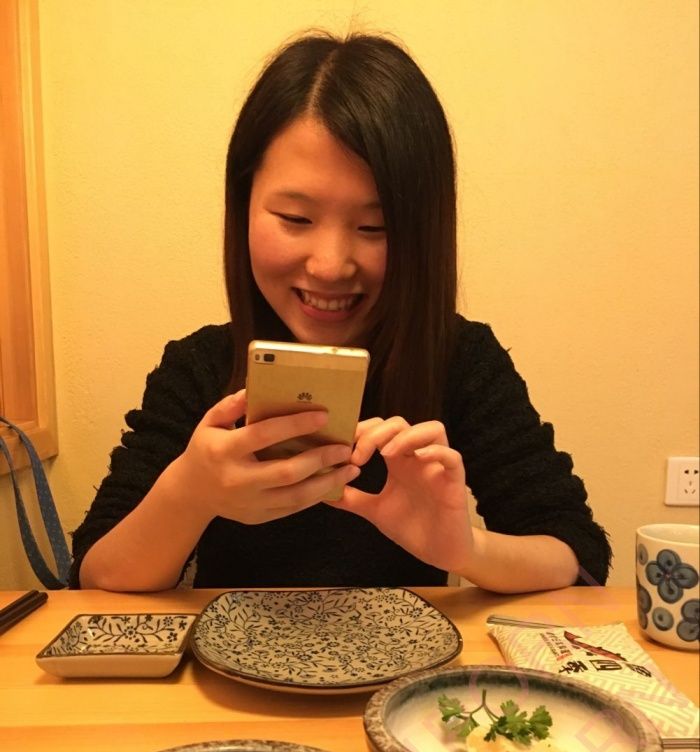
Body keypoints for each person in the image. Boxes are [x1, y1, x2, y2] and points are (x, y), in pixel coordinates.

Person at [71, 31, 612, 593]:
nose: (330, 265)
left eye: (375, 226)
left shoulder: (460, 360)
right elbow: (95, 575)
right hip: (227, 650)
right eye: (296, 219)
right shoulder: (198, 367)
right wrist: (189, 492)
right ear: (243, 205)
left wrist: (465, 549)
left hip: (412, 650)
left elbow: (576, 553)